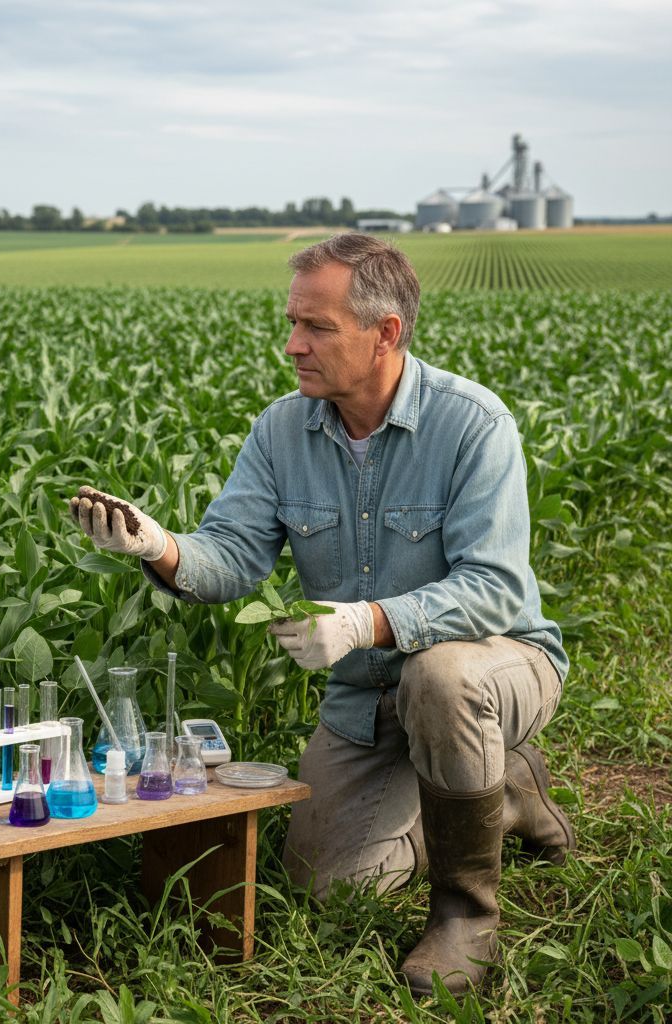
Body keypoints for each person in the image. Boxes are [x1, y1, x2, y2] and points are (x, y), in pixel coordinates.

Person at [68, 232, 574, 996]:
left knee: (440, 676)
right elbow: (234, 554)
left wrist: (366, 621)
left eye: (317, 327)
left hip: (495, 664)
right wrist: (160, 546)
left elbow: (495, 588)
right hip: (367, 697)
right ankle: (493, 795)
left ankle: (465, 914)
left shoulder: (472, 424)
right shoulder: (282, 430)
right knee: (329, 887)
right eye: (293, 322)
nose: (292, 344)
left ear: (385, 335)